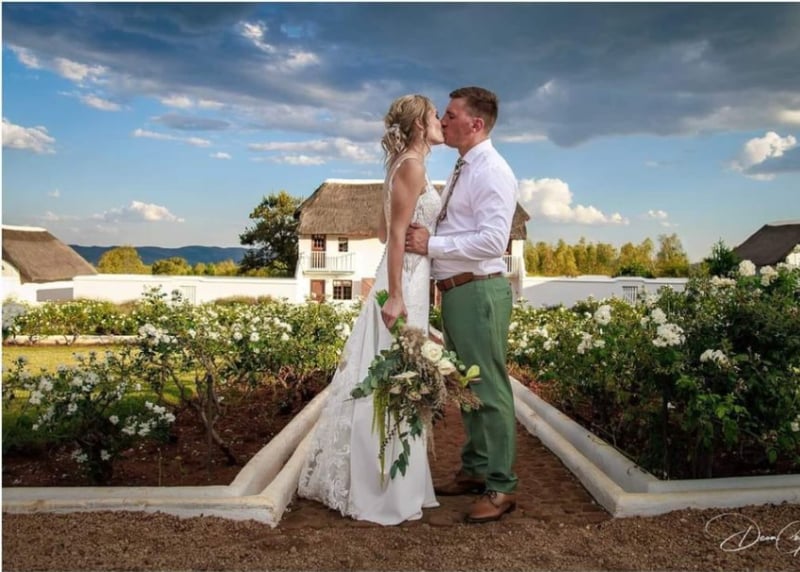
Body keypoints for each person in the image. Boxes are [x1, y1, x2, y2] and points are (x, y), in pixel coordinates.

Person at [297, 94, 444, 525]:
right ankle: (384, 489)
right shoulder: (412, 166)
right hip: (404, 283)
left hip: (407, 277)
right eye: (435, 115)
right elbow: (394, 236)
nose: (440, 121)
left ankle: (395, 482)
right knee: (394, 378)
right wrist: (396, 295)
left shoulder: (400, 165)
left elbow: (381, 230)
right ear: (420, 125)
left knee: (395, 376)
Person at [405, 86, 519, 523]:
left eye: (451, 115)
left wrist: (430, 245)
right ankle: (475, 469)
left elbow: (493, 241)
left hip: (478, 291)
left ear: (476, 123)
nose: (443, 121)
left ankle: (501, 486)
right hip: (456, 291)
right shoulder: (463, 166)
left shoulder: (492, 171)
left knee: (490, 389)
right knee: (467, 387)